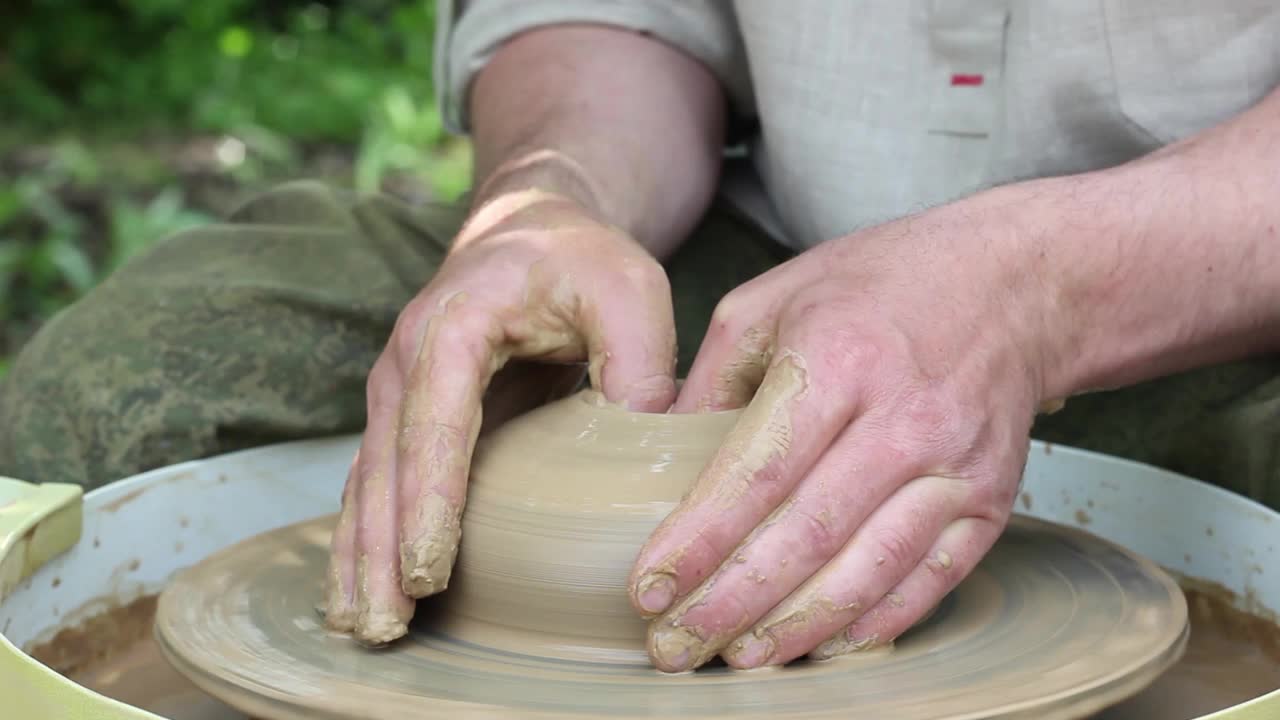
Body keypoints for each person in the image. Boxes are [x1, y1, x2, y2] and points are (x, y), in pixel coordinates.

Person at [2, 1, 1278, 672]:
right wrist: (553, 199)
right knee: (137, 385)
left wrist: (1035, 294)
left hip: (1203, 295)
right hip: (737, 255)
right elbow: (612, 15)